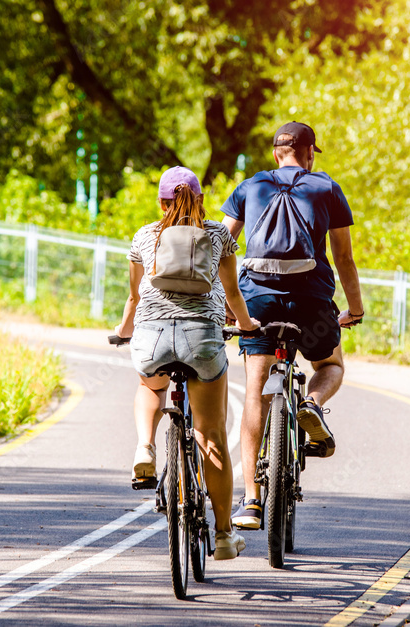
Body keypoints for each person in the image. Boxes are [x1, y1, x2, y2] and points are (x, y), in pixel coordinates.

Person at [220, 122, 364, 530]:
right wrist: (355, 309)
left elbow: (222, 247)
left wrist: (229, 305)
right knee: (330, 365)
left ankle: (250, 500)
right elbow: (344, 258)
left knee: (254, 394)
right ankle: (311, 406)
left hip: (258, 302)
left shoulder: (249, 187)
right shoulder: (326, 188)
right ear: (310, 152)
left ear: (275, 154)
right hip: (311, 303)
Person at [115, 166, 260, 559]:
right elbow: (232, 293)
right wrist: (247, 326)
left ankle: (145, 446)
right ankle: (225, 535)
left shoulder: (145, 235)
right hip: (202, 339)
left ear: (160, 201)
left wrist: (124, 331)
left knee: (150, 384)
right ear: (200, 199)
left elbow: (134, 299)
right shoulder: (218, 235)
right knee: (211, 434)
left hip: (153, 337)